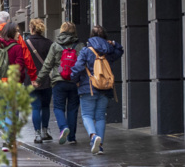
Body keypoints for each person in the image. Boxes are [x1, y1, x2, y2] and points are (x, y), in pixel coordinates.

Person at [0, 11, 36, 145]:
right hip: (13, 82)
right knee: (12, 109)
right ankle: (10, 136)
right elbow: (26, 57)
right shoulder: (17, 39)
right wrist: (32, 76)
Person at [71, 26, 123, 154]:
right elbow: (120, 50)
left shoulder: (86, 51)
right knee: (100, 117)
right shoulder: (109, 51)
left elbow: (77, 68)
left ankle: (93, 137)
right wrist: (113, 43)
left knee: (87, 115)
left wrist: (75, 80)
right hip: (105, 88)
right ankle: (99, 146)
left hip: (87, 87)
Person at [36, 21, 83, 145]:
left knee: (58, 108)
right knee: (72, 109)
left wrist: (39, 80)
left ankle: (63, 127)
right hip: (74, 82)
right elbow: (83, 65)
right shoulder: (79, 46)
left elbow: (47, 65)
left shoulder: (56, 45)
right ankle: (72, 137)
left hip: (58, 81)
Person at [24, 19, 54, 143]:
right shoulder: (49, 43)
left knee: (35, 107)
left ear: (31, 29)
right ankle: (45, 131)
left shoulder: (25, 44)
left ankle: (37, 134)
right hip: (46, 79)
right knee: (45, 106)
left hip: (30, 80)